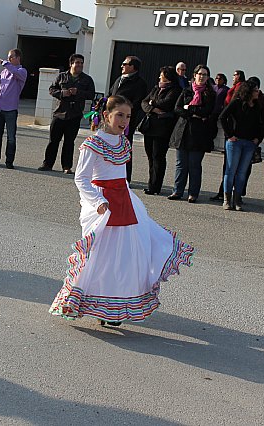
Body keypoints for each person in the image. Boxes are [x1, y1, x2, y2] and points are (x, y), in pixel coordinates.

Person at [49, 95, 194, 326]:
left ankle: (115, 307)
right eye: (120, 115)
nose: (124, 121)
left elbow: (122, 178)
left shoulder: (124, 143)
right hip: (103, 206)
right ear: (106, 115)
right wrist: (97, 202)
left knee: (127, 256)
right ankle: (92, 302)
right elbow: (82, 179)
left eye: (128, 116)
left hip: (124, 202)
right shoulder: (92, 144)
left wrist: (132, 201)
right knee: (101, 257)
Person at [38, 53, 95, 174]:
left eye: (81, 63)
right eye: (77, 62)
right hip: (59, 113)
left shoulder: (87, 79)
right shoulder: (62, 77)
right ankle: (47, 164)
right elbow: (51, 89)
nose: (79, 65)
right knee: (53, 141)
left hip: (74, 115)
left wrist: (78, 92)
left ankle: (67, 167)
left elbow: (91, 95)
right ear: (71, 64)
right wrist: (62, 93)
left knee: (69, 143)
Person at [168, 64, 215, 203]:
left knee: (194, 165)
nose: (202, 77)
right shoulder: (186, 91)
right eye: (200, 74)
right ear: (194, 75)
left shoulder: (210, 93)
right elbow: (177, 108)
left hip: (199, 134)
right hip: (183, 131)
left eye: (205, 75)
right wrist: (192, 112)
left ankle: (193, 193)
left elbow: (207, 111)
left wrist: (190, 108)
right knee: (180, 164)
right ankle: (177, 191)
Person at [218, 81, 264, 211]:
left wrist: (258, 138)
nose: (258, 92)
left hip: (249, 143)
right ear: (248, 91)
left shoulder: (256, 106)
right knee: (230, 170)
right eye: (255, 90)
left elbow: (260, 124)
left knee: (242, 172)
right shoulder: (236, 103)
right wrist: (230, 135)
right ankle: (227, 199)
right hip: (235, 142)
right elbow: (223, 117)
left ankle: (237, 200)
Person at [140, 66, 182, 195]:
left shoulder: (175, 90)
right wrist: (152, 108)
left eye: (162, 75)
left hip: (163, 129)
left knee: (158, 157)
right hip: (150, 127)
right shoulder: (156, 88)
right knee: (150, 157)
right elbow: (144, 102)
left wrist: (153, 103)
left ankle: (155, 186)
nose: (159, 77)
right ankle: (151, 183)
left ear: (168, 76)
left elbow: (167, 103)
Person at [107, 55, 148, 181]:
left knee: (124, 148)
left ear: (133, 67)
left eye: (125, 64)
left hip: (125, 122)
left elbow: (137, 103)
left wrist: (122, 111)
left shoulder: (139, 83)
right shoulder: (119, 79)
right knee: (110, 147)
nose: (122, 66)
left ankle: (125, 177)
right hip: (111, 120)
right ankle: (109, 175)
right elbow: (110, 95)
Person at [0, 48, 27, 169]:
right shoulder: (4, 72)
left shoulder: (21, 71)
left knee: (11, 137)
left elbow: (15, 71)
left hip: (10, 109)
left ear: (18, 58)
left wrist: (4, 62)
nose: (8, 59)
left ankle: (9, 161)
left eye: (11, 57)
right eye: (8, 57)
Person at [208, 73, 230, 202]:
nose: (217, 80)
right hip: (211, 111)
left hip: (218, 112)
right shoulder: (213, 88)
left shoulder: (225, 90)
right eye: (216, 78)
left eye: (220, 78)